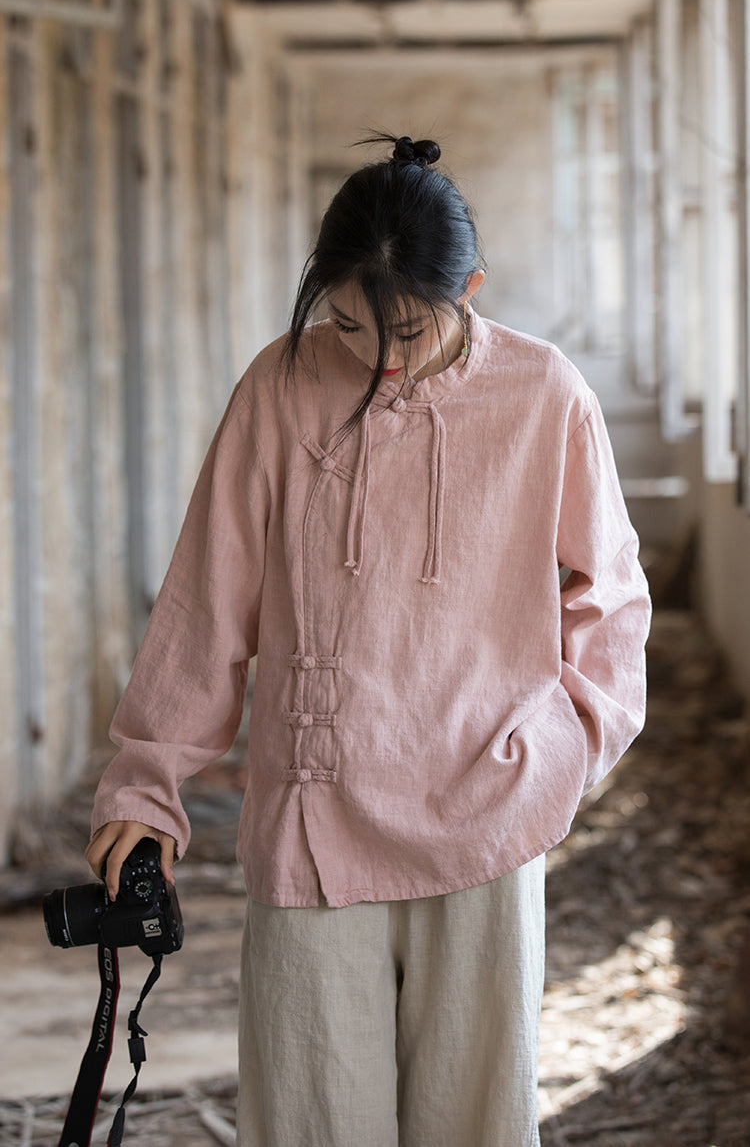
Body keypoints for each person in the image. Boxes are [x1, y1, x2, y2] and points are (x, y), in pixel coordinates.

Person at [86, 133, 651, 1147]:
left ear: (469, 289)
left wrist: (566, 749)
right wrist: (146, 783)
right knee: (311, 1124)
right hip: (313, 821)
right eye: (349, 324)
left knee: (476, 1126)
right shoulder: (278, 387)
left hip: (489, 819)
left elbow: (609, 600)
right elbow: (207, 600)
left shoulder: (547, 393)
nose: (380, 357)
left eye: (411, 330)